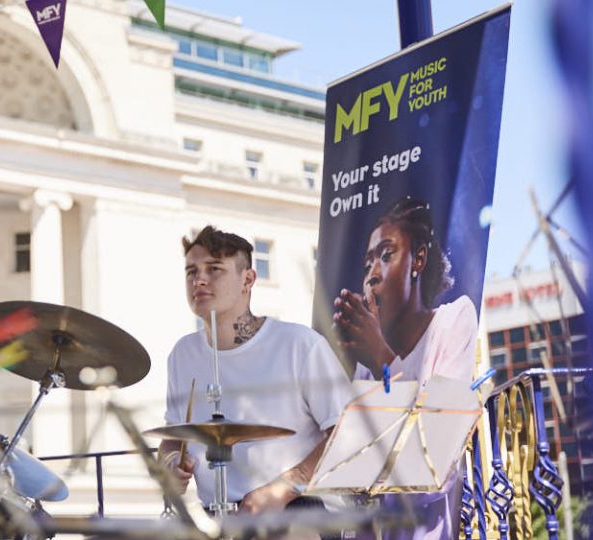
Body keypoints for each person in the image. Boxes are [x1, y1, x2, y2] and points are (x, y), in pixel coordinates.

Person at [160, 226, 354, 518]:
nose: (199, 280)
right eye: (191, 271)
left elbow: (347, 433)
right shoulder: (182, 354)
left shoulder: (300, 344)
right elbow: (174, 437)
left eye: (214, 269)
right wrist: (171, 464)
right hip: (215, 513)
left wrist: (283, 488)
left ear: (247, 279)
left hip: (296, 505)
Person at [332, 197, 478, 539]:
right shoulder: (366, 364)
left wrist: (383, 359)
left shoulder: (453, 321)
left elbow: (433, 470)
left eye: (386, 255)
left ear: (419, 259)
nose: (372, 275)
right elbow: (351, 471)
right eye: (368, 263)